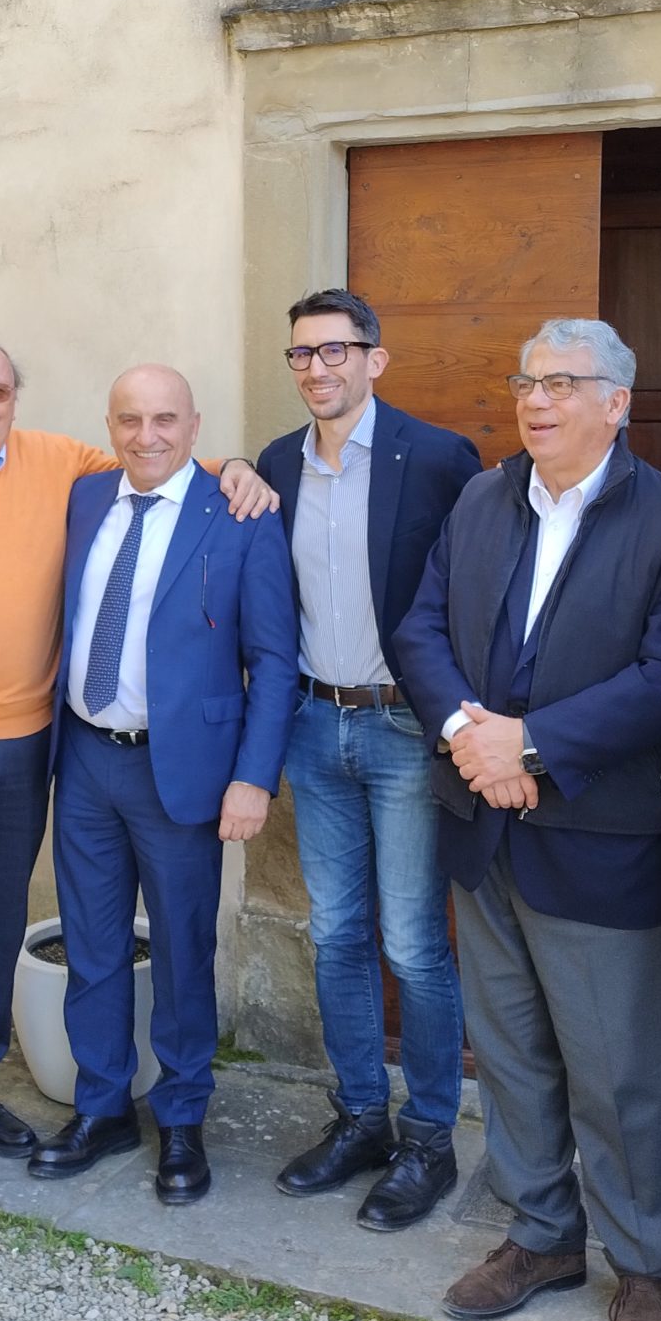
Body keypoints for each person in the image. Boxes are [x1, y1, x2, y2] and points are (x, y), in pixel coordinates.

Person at [0, 338, 277, 1177]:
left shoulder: (69, 471)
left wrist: (238, 469)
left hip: (47, 751)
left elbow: (164, 466)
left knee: (2, 930)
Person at [388, 318, 661, 1321]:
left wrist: (533, 744)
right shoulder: (483, 498)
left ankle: (648, 1266)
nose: (537, 399)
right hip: (483, 824)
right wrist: (468, 737)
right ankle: (541, 1233)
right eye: (527, 380)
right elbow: (419, 628)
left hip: (602, 842)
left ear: (616, 402)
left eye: (564, 383)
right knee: (511, 1050)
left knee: (618, 1073)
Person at [26, 365, 298, 1205]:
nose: (147, 436)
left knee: (182, 950)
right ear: (110, 425)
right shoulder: (84, 499)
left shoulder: (239, 513)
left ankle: (181, 1117)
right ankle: (102, 1106)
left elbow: (275, 662)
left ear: (195, 425)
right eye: (131, 420)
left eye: (165, 420)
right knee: (93, 944)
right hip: (84, 760)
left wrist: (253, 778)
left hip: (181, 771)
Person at [251, 290, 480, 1229]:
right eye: (302, 354)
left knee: (415, 944)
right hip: (315, 725)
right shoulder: (276, 462)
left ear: (375, 359)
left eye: (335, 351)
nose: (318, 369)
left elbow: (478, 587)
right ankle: (360, 1118)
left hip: (403, 731)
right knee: (337, 932)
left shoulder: (438, 457)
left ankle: (429, 1138)